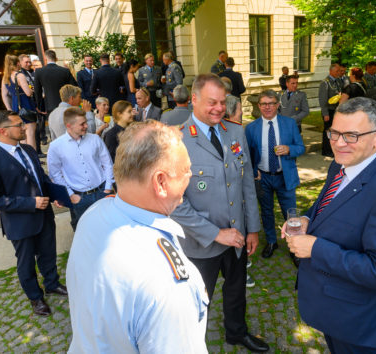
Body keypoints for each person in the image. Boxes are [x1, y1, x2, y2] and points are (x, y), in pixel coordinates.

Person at [283, 97, 376, 353]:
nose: (339, 143)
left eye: (351, 135)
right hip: (333, 309)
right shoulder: (341, 164)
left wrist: (316, 249)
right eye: (334, 133)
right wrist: (307, 218)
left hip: (356, 320)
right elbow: (330, 202)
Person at [67, 120, 208, 353]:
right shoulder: (166, 286)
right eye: (186, 170)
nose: (191, 176)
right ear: (160, 182)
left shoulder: (94, 214)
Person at [170, 74, 269, 352]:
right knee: (197, 300)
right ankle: (189, 346)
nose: (218, 108)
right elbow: (175, 203)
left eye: (222, 102)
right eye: (211, 102)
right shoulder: (177, 141)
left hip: (237, 236)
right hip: (201, 243)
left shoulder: (235, 132)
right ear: (194, 100)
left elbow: (247, 182)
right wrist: (216, 234)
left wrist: (252, 229)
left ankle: (236, 333)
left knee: (236, 291)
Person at [0, 110, 68, 317]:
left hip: (44, 216)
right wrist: (30, 203)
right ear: (3, 131)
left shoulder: (28, 149)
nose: (25, 127)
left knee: (48, 253)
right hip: (20, 222)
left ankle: (52, 284)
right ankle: (35, 298)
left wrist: (55, 195)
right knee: (26, 263)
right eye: (19, 125)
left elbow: (40, 178)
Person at [245, 90, 305, 265]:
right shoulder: (251, 128)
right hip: (263, 177)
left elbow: (300, 147)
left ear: (278, 105)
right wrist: (253, 170)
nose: (267, 107)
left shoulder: (289, 124)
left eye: (271, 103)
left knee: (291, 214)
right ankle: (272, 241)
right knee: (267, 211)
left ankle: (295, 246)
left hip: (284, 177)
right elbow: (248, 154)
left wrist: (289, 149)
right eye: (263, 103)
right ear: (259, 106)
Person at [47, 107, 115, 230]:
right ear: (69, 126)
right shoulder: (56, 146)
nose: (86, 126)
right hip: (80, 198)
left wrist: (108, 187)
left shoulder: (95, 139)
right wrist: (70, 194)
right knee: (86, 232)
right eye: (82, 124)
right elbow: (55, 174)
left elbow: (108, 164)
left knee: (108, 228)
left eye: (86, 122)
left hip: (102, 192)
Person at [0, 54, 38, 150]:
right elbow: (28, 93)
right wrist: (32, 90)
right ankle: (33, 158)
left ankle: (25, 157)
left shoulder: (5, 77)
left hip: (15, 106)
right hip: (26, 105)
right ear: (18, 63)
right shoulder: (19, 75)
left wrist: (9, 109)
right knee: (30, 133)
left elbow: (4, 95)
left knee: (21, 134)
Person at [33, 50, 78, 115]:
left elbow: (37, 91)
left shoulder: (39, 71)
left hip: (49, 105)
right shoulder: (65, 71)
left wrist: (40, 107)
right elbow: (74, 87)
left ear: (45, 58)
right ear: (56, 58)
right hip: (65, 104)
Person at [318, 63, 342, 157]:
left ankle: (333, 149)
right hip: (329, 110)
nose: (338, 73)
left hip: (336, 110)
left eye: (339, 71)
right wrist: (325, 113)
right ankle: (326, 150)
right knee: (328, 131)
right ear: (331, 71)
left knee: (335, 131)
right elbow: (322, 99)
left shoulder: (338, 81)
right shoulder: (325, 82)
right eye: (336, 71)